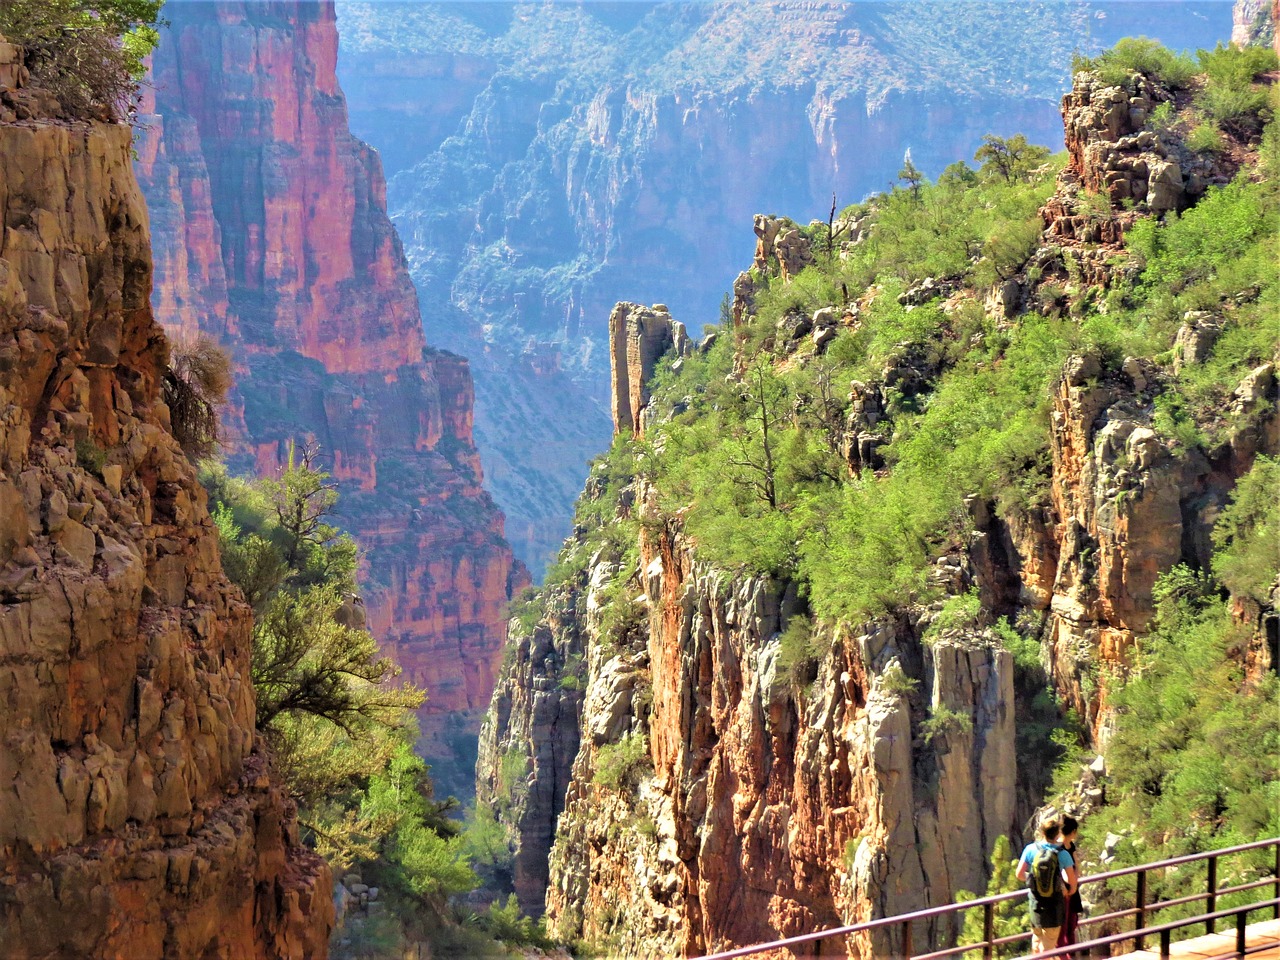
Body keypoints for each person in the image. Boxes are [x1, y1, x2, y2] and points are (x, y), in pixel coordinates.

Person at [1016, 817, 1077, 956]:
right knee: (1048, 947)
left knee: (1036, 942)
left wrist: (1034, 879)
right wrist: (1068, 890)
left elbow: (1019, 874)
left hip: (1035, 904)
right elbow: (1071, 882)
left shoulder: (1030, 849)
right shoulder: (1062, 854)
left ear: (1042, 832)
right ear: (1058, 834)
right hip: (1054, 907)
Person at [1057, 816, 1083, 957]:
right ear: (1073, 831)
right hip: (1063, 891)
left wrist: (1075, 880)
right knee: (1063, 925)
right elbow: (1061, 870)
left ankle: (1071, 954)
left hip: (1073, 888)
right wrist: (1068, 886)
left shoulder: (1070, 845)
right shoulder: (1058, 848)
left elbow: (1075, 864)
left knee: (1072, 924)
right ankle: (1064, 955)